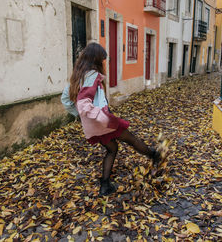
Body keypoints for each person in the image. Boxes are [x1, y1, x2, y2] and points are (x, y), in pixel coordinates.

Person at [61, 42, 161, 196]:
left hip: (92, 125)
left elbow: (66, 101)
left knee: (112, 148)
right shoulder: (92, 75)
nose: (103, 63)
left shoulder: (76, 78)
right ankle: (154, 156)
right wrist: (102, 118)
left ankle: (105, 186)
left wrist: (83, 118)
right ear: (96, 59)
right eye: (102, 60)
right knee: (132, 139)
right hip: (102, 122)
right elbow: (83, 104)